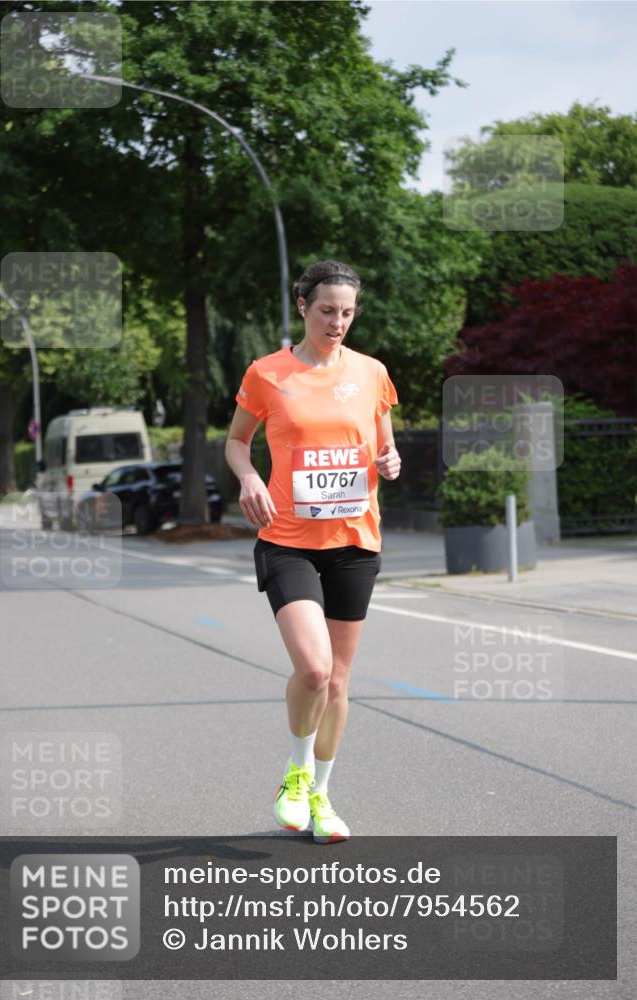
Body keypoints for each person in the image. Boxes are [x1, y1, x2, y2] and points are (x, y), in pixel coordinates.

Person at [225, 259, 400, 844]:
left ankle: (322, 795)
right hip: (288, 539)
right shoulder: (268, 374)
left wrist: (389, 462)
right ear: (302, 305)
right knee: (315, 668)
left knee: (341, 680)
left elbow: (383, 445)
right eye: (327, 310)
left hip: (354, 541)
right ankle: (295, 777)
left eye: (348, 312)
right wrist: (248, 478)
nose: (338, 322)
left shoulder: (372, 373)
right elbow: (236, 442)